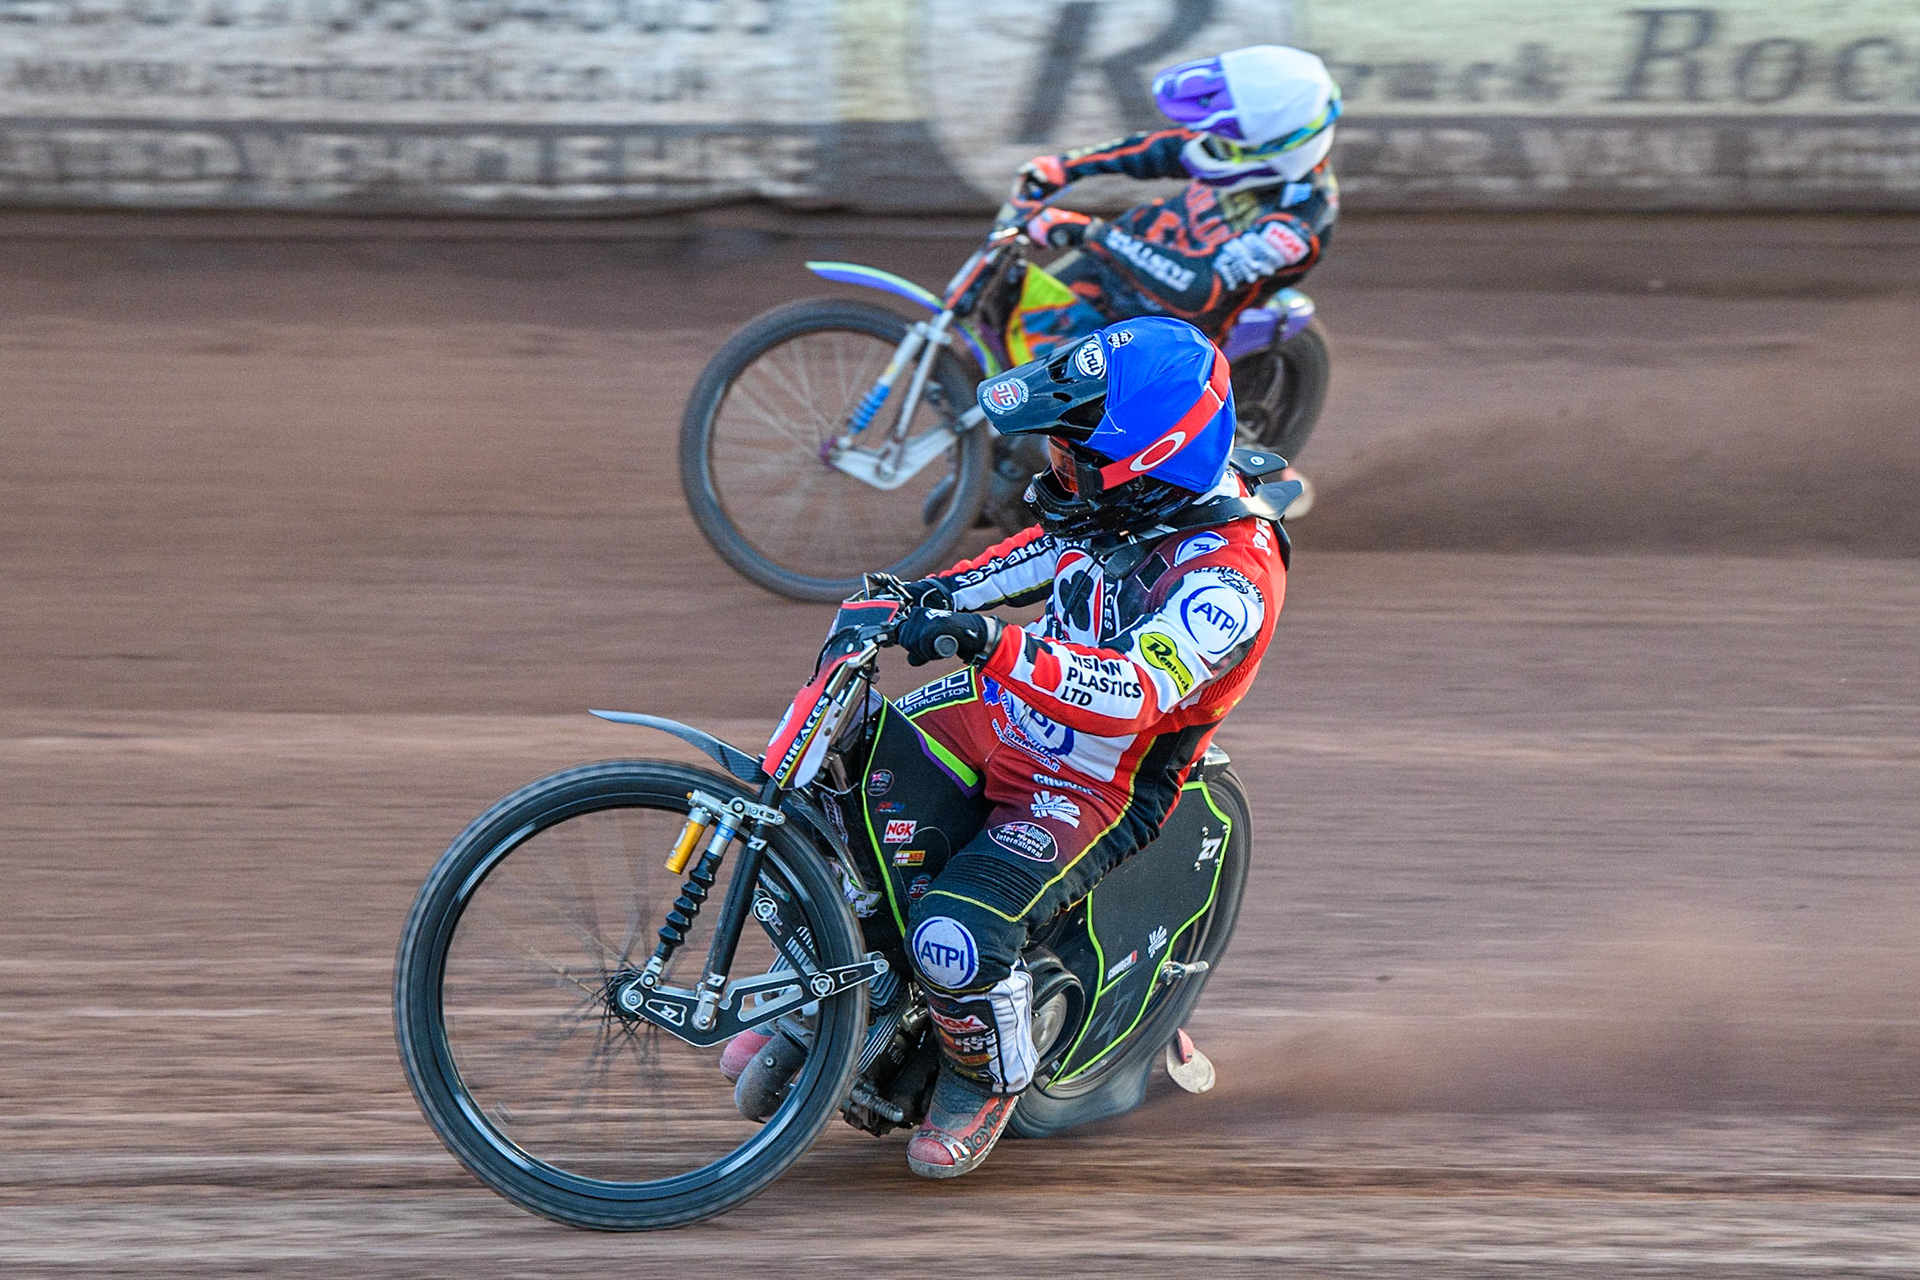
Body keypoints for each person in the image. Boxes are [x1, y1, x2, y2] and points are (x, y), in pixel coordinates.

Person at [878, 315, 1290, 1178]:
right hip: (1009, 716)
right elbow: (1022, 559)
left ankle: (981, 1077)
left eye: (1074, 458)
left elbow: (1131, 694)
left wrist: (987, 642)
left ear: (1148, 469)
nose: (1054, 472)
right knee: (850, 775)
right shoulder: (1111, 508)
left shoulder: (1229, 580)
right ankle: (843, 990)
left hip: (1099, 780)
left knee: (955, 932)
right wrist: (916, 599)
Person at [996, 43, 1339, 512]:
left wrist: (1090, 231)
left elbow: (1195, 289)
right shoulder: (1241, 152)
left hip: (1164, 325)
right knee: (1008, 317)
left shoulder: (1296, 225)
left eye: (1225, 141)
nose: (1207, 146)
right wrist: (1065, 167)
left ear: (1277, 148)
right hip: (1116, 268)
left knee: (1073, 449)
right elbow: (1164, 149)